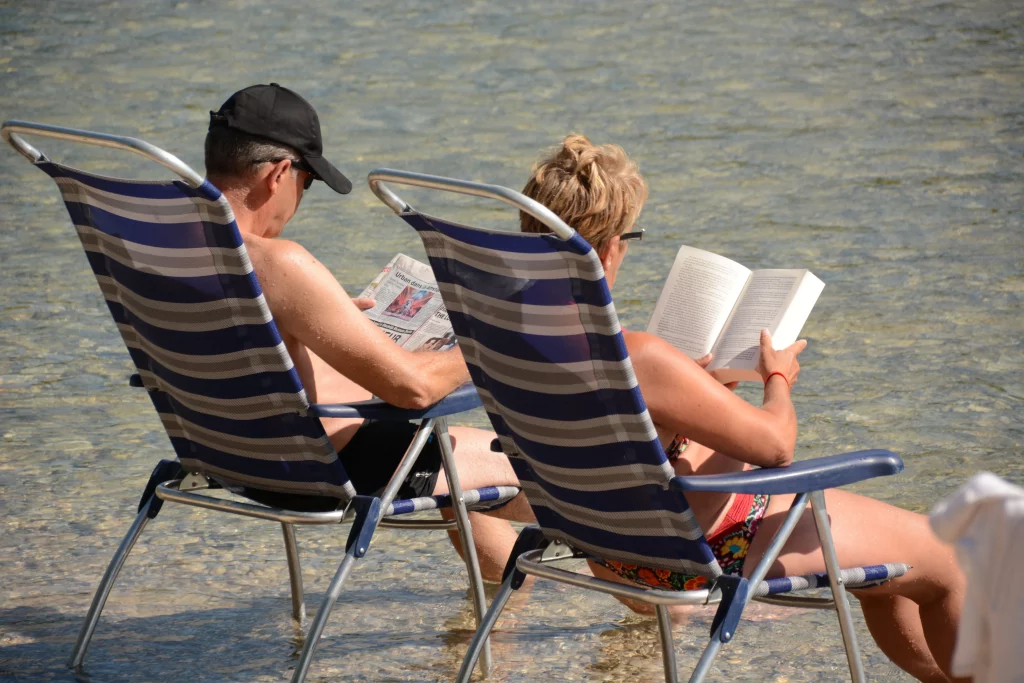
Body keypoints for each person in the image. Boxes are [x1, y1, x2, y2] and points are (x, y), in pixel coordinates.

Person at [519, 134, 967, 683]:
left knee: (890, 569)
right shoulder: (636, 354)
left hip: (605, 550)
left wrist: (684, 403)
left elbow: (598, 447)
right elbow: (776, 446)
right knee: (948, 561)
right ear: (610, 247)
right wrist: (778, 375)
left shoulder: (510, 339)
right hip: (693, 558)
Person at [203, 83, 530, 580]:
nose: (299, 201)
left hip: (224, 460)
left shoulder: (153, 248)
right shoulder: (277, 263)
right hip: (318, 474)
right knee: (543, 474)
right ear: (278, 174)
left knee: (444, 443)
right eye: (307, 183)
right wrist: (492, 350)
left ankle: (503, 611)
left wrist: (323, 321)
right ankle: (660, 606)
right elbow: (413, 389)